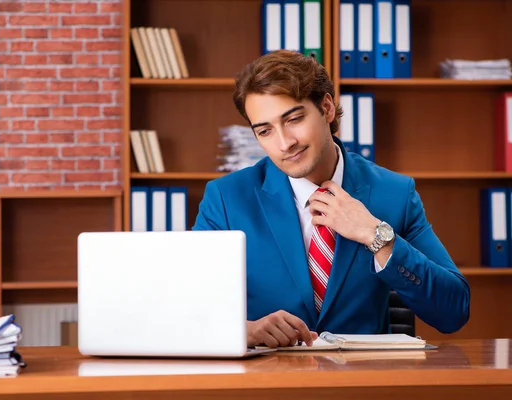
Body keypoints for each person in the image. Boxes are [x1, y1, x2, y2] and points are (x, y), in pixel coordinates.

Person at [192, 50, 470, 349]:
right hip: (266, 381)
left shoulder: (394, 193)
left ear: (326, 107)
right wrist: (242, 330)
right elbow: (184, 307)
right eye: (265, 131)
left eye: (294, 119)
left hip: (362, 383)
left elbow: (453, 312)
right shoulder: (227, 198)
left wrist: (377, 236)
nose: (285, 143)